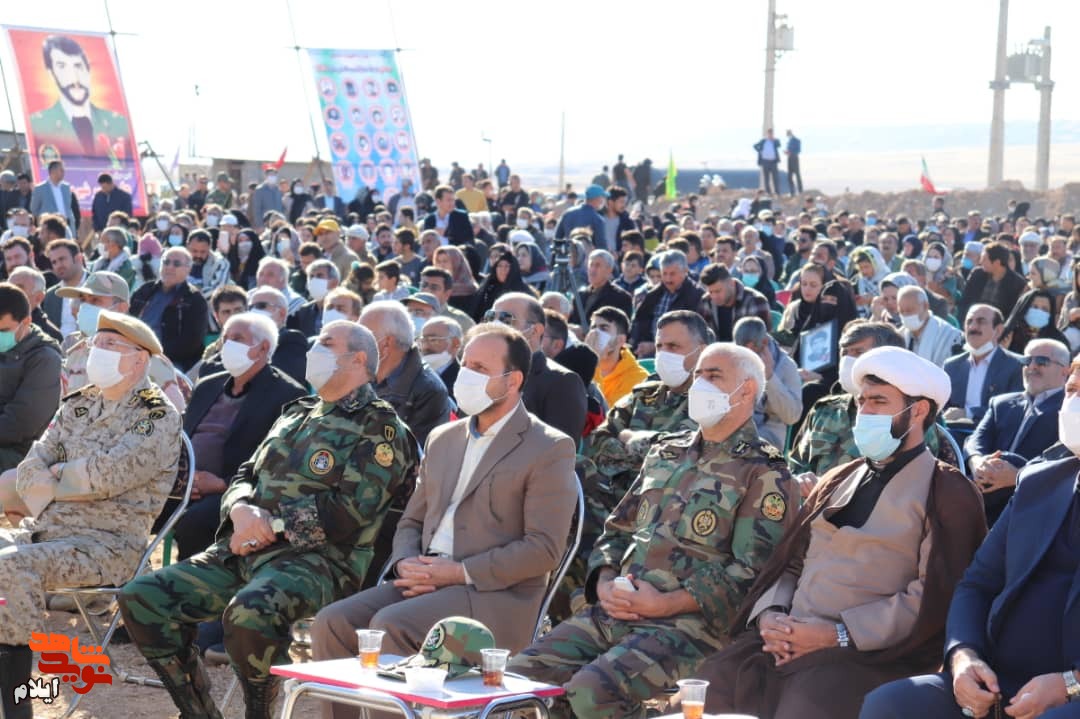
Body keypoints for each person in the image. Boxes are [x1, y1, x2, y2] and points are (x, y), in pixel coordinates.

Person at [119, 320, 418, 719]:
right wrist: (240, 510)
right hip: (243, 550)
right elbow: (245, 474)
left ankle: (258, 712)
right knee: (142, 597)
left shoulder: (380, 426)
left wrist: (269, 527)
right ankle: (197, 712)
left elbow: (350, 512)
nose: (314, 350)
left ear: (358, 359)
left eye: (327, 343)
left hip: (318, 564)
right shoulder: (297, 413)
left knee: (249, 614)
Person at [698, 346, 988, 719]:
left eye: (879, 402)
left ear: (918, 411)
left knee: (806, 705)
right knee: (710, 686)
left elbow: (931, 598)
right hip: (785, 639)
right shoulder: (838, 477)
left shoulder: (946, 491)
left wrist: (837, 634)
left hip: (870, 655)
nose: (864, 412)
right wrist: (771, 615)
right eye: (862, 402)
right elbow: (791, 563)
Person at [510, 343, 797, 718]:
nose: (700, 385)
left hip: (692, 627)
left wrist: (665, 603)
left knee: (590, 693)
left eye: (714, 376)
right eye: (698, 375)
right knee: (520, 680)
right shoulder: (666, 453)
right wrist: (605, 582)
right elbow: (618, 529)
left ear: (746, 391)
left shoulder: (765, 472)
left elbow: (750, 573)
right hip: (618, 610)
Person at [310, 323, 579, 719]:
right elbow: (411, 522)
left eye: (480, 368)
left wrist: (457, 573)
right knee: (332, 623)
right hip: (424, 580)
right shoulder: (443, 438)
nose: (466, 375)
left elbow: (543, 549)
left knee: (389, 625)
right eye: (465, 364)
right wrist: (406, 562)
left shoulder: (549, 447)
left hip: (495, 596)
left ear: (513, 380)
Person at [859, 360, 1080, 719]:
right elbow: (978, 582)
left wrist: (1070, 685)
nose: (1074, 404)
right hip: (997, 682)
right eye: (1071, 390)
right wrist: (964, 655)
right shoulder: (1040, 482)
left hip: (1068, 694)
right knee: (891, 704)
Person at [0, 311, 181, 719]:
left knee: (8, 566)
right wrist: (64, 475)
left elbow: (107, 476)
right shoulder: (79, 404)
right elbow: (31, 466)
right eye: (96, 343)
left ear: (138, 359)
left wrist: (57, 475)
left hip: (106, 547)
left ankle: (17, 708)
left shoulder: (156, 415)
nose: (97, 352)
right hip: (45, 532)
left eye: (110, 345)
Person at [165, 312, 306, 562]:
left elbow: (277, 463)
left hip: (232, 491)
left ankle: (189, 581)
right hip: (183, 483)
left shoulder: (288, 395)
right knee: (133, 503)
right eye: (225, 338)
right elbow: (183, 435)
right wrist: (182, 477)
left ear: (263, 348)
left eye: (238, 338)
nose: (228, 345)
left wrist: (222, 484)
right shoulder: (208, 385)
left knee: (195, 522)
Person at [965, 338, 1069, 526]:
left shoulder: (1070, 411)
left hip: (1036, 509)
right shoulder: (1000, 403)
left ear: (1065, 371)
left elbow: (1065, 467)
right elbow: (975, 441)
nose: (1032, 366)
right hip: (984, 498)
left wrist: (1018, 476)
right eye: (1026, 360)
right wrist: (977, 463)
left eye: (1042, 361)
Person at [490, 292, 587, 440]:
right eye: (490, 317)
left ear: (535, 330)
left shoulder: (562, 381)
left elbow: (560, 447)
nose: (495, 325)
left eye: (506, 319)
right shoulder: (481, 370)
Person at [360, 300, 451, 448]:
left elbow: (414, 452)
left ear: (386, 343)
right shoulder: (360, 374)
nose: (355, 343)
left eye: (363, 336)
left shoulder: (428, 390)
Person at [0, 283, 62, 473]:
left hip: (21, 454)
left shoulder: (45, 359)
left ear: (26, 322)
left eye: (3, 331)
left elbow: (20, 424)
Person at [199, 286, 308, 386]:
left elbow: (281, 378)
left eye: (261, 306)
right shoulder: (215, 351)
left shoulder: (290, 339)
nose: (233, 316)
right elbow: (207, 374)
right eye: (226, 312)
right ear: (216, 316)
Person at [129, 246, 210, 371]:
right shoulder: (145, 291)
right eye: (166, 262)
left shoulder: (194, 300)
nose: (169, 267)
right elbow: (128, 319)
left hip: (171, 360)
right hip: (135, 352)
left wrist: (155, 353)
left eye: (176, 264)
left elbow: (191, 343)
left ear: (188, 269)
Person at [943, 304, 1026, 425]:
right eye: (969, 322)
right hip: (953, 431)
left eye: (981, 321)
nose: (973, 327)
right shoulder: (952, 366)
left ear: (998, 330)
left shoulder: (1016, 366)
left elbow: (1013, 409)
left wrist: (969, 413)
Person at [735, 316, 803, 450]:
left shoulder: (786, 366)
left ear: (764, 342)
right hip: (737, 427)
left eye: (750, 350)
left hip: (769, 434)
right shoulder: (733, 358)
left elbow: (792, 416)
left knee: (743, 449)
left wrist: (770, 377)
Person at [629, 250, 706, 357]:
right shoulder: (653, 294)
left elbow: (694, 334)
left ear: (685, 271)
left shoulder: (696, 296)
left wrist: (655, 346)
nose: (668, 279)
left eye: (672, 274)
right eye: (664, 274)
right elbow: (639, 321)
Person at [585, 305, 647, 407]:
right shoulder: (578, 363)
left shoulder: (638, 378)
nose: (595, 333)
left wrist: (593, 364)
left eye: (604, 328)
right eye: (593, 328)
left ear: (620, 340)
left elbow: (607, 411)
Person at [699, 262, 772, 342]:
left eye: (718, 291)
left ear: (732, 283)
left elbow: (760, 342)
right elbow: (703, 337)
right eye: (710, 292)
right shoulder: (706, 301)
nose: (714, 296)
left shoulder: (756, 301)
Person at [957, 241, 1028, 322]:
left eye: (984, 259)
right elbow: (965, 301)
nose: (981, 262)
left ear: (997, 263)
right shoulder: (977, 274)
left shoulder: (1017, 283)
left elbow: (1013, 313)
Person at [897, 286, 963, 365]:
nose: (905, 315)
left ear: (925, 306)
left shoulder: (949, 335)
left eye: (909, 310)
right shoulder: (900, 334)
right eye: (901, 311)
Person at [569, 249, 633, 325]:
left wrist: (584, 330)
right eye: (591, 265)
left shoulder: (621, 298)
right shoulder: (579, 296)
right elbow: (571, 322)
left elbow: (620, 327)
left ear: (609, 270)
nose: (592, 269)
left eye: (597, 265)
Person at [470, 251, 534, 322]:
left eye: (507, 266)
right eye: (499, 266)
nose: (502, 269)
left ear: (514, 269)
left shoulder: (523, 293)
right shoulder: (488, 289)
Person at [1001, 288, 1069, 355]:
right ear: (1024, 308)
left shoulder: (1058, 341)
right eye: (1035, 307)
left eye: (1045, 309)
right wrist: (1003, 349)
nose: (1039, 312)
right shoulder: (1008, 335)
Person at [42, 238, 87, 336]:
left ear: (78, 258)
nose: (58, 265)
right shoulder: (51, 296)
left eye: (62, 259)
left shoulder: (98, 286)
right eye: (54, 262)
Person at [287, 259, 340, 337]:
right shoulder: (303, 311)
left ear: (334, 282)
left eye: (319, 276)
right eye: (311, 276)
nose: (314, 280)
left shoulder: (344, 308)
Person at [8, 267, 62, 342]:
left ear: (38, 297)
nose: (10, 294)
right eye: (8, 287)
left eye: (18, 288)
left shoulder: (51, 336)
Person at [418, 266, 475, 335]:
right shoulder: (409, 311)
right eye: (424, 285)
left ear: (447, 294)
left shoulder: (461, 321)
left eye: (434, 287)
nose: (426, 290)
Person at [417, 317, 462, 403]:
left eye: (433, 340)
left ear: (455, 343)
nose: (425, 347)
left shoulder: (463, 380)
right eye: (422, 341)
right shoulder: (412, 374)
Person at [556, 185, 609, 250]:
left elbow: (557, 240)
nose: (603, 201)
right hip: (589, 255)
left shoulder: (567, 213)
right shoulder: (597, 219)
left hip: (569, 254)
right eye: (603, 197)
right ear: (597, 199)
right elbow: (601, 247)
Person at [29, 160, 77, 229]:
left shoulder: (66, 187)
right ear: (53, 171)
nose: (64, 172)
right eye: (61, 170)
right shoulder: (40, 189)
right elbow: (34, 209)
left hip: (67, 226)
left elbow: (69, 208)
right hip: (50, 227)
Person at [314, 218, 360, 282]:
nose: (324, 237)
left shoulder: (350, 257)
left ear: (338, 233)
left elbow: (353, 284)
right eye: (320, 234)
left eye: (328, 232)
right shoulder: (317, 256)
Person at [249, 164, 284, 231]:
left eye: (274, 175)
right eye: (270, 175)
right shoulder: (259, 190)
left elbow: (281, 208)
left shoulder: (278, 190)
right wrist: (260, 225)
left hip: (277, 224)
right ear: (266, 176)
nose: (272, 177)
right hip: (265, 224)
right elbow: (256, 210)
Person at [754, 128, 782, 195]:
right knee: (766, 178)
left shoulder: (775, 140)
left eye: (771, 133)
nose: (770, 135)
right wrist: (760, 151)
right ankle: (768, 192)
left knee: (775, 177)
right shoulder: (763, 141)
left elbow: (779, 145)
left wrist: (773, 140)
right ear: (767, 134)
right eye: (769, 133)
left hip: (773, 162)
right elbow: (755, 146)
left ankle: (777, 192)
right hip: (765, 161)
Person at [785, 129, 803, 196]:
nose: (787, 135)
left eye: (788, 133)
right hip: (789, 158)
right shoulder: (789, 141)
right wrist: (787, 152)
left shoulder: (796, 140)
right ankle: (792, 192)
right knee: (789, 176)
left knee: (797, 174)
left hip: (794, 158)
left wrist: (791, 152)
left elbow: (798, 150)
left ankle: (800, 191)